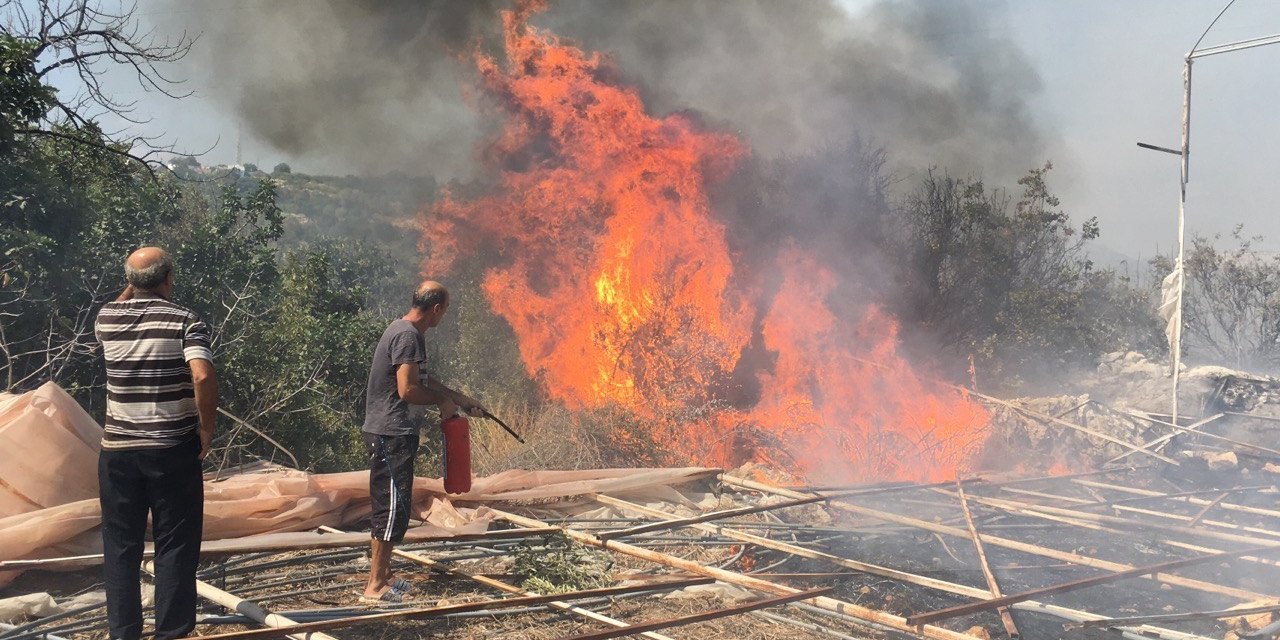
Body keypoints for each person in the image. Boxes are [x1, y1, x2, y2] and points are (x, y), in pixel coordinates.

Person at [96, 247, 217, 640]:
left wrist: (131, 287)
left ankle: (124, 634)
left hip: (117, 452)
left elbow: (121, 303)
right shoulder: (185, 320)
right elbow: (201, 376)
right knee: (175, 546)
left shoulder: (107, 318)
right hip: (171, 451)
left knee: (120, 548)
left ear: (129, 282)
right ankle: (172, 633)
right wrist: (206, 427)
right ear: (169, 280)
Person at [360, 280, 484, 602]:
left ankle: (385, 575)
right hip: (390, 433)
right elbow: (408, 390)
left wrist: (458, 398)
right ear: (437, 308)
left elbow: (422, 380)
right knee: (389, 508)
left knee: (397, 506)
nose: (444, 316)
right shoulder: (407, 336)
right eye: (446, 310)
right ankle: (374, 587)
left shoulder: (405, 331)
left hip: (393, 433)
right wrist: (442, 404)